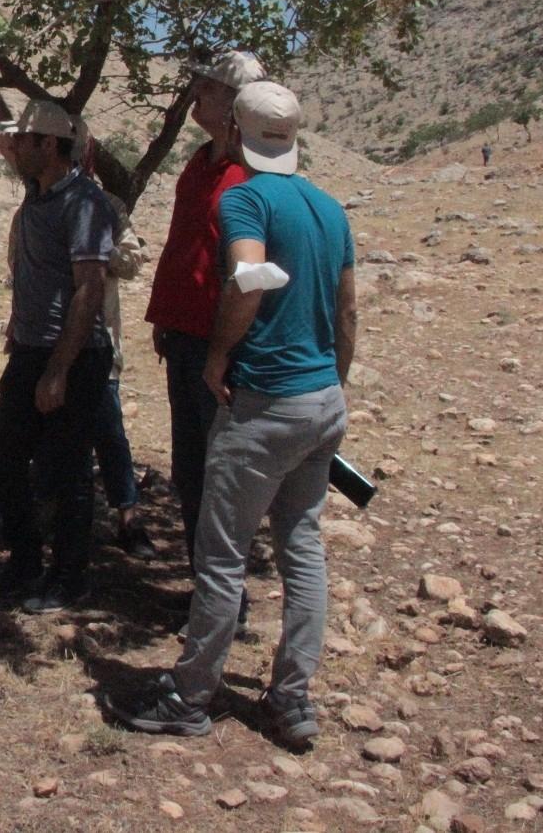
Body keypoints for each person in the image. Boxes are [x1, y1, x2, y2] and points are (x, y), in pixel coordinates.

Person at [110, 81, 356, 749]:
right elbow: (348, 309)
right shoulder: (330, 209)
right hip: (322, 402)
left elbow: (247, 276)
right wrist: (332, 384)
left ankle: (190, 698)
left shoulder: (246, 198)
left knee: (221, 559)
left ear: (238, 135)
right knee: (301, 548)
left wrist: (217, 357)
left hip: (265, 405)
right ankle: (292, 700)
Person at [0, 63, 116, 612]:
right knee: (6, 464)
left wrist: (59, 368)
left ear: (52, 146)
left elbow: (89, 290)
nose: (15, 144)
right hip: (31, 350)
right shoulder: (40, 184)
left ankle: (70, 577)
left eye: (27, 138)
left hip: (71, 357)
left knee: (67, 471)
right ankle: (27, 563)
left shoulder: (85, 204)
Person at [143, 49, 265, 624]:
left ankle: (227, 601)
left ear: (235, 105)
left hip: (223, 347)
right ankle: (210, 593)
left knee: (222, 474)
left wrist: (227, 348)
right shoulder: (198, 162)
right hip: (185, 338)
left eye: (210, 87)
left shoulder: (252, 174)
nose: (197, 91)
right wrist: (165, 317)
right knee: (191, 470)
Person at [92, 190, 155, 559]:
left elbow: (132, 262)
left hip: (101, 343)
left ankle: (128, 518)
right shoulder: (34, 205)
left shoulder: (110, 207)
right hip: (47, 342)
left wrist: (100, 249)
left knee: (111, 435)